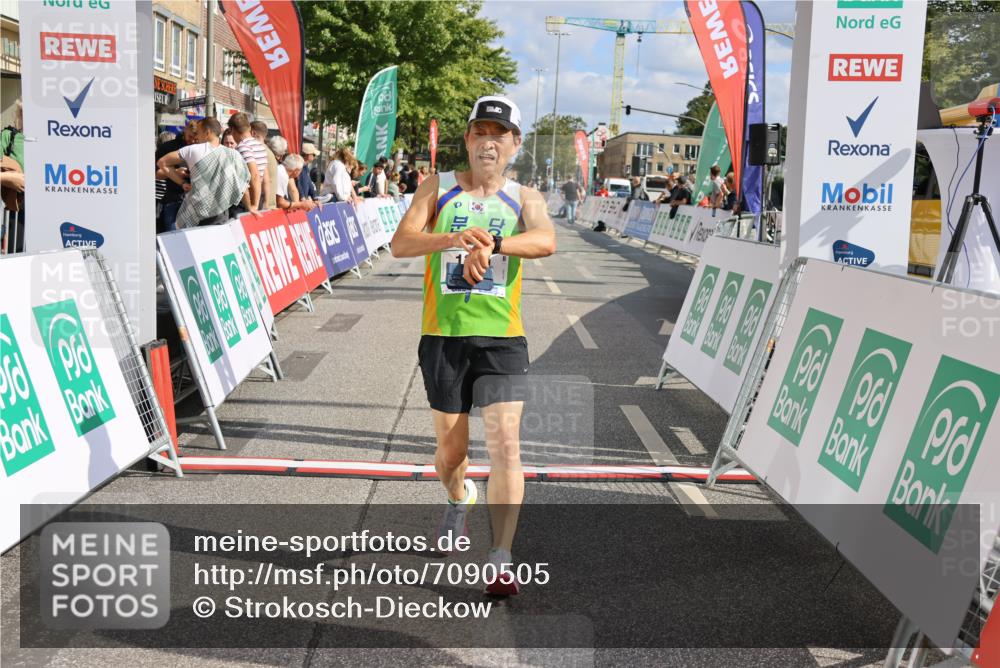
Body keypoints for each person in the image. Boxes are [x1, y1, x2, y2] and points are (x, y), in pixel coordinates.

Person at [390, 95, 556, 596]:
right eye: (480, 132)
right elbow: (401, 243)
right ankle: (459, 497)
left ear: (514, 144)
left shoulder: (525, 197)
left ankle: (501, 559)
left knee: (506, 444)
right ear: (466, 139)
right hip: (443, 337)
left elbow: (546, 240)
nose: (489, 141)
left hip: (502, 338)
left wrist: (495, 245)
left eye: (499, 134)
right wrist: (451, 241)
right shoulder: (437, 187)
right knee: (451, 451)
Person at [156, 118, 250, 228]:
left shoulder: (193, 150)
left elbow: (162, 162)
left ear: (207, 133)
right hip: (211, 209)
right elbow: (243, 187)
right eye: (192, 136)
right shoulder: (233, 155)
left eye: (198, 134)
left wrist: (181, 182)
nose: (195, 138)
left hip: (198, 209)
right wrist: (251, 208)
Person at [155, 120, 198, 231]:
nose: (192, 141)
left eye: (195, 138)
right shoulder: (168, 147)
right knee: (172, 237)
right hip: (173, 199)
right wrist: (175, 173)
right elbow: (156, 174)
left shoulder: (200, 148)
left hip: (195, 202)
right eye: (190, 136)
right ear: (185, 130)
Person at [228, 113, 269, 214]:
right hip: (257, 198)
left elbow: (254, 175)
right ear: (249, 127)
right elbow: (264, 178)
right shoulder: (260, 146)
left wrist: (253, 205)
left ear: (233, 130)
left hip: (246, 202)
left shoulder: (243, 147)